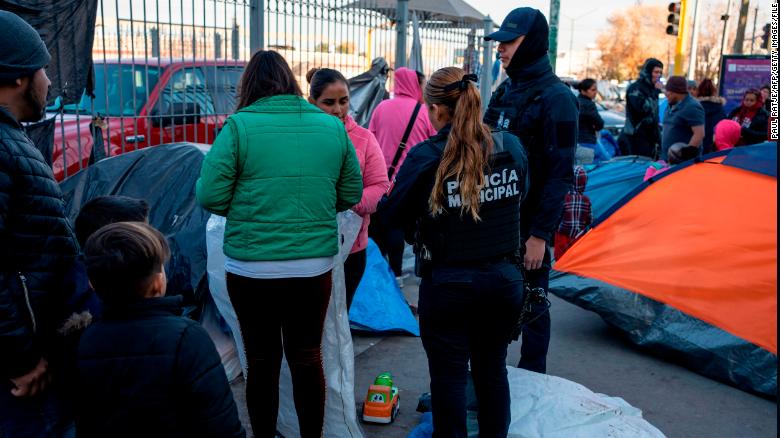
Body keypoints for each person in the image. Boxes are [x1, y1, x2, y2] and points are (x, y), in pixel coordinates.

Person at [196, 50, 363, 437]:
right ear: (290, 82)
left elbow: (210, 196)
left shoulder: (238, 127)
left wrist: (247, 206)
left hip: (250, 266)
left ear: (248, 85)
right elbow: (350, 191)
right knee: (308, 358)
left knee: (261, 361)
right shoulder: (331, 127)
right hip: (313, 265)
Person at [377, 66, 527, 438]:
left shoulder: (428, 156)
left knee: (449, 378)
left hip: (449, 284)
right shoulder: (511, 146)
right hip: (503, 282)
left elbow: (390, 216)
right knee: (493, 371)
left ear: (437, 110)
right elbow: (522, 195)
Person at [76, 222, 245, 437]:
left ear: (92, 285)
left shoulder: (88, 340)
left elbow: (88, 419)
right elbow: (222, 424)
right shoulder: (188, 337)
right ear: (158, 283)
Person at [483, 7, 577, 374]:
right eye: (500, 43)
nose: (501, 50)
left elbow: (560, 174)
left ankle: (532, 376)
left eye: (509, 42)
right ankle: (488, 378)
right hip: (494, 222)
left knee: (533, 304)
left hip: (529, 226)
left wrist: (540, 235)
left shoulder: (558, 98)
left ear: (532, 42)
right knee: (489, 303)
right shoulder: (506, 88)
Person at [0, 10, 81, 437]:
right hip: (21, 373)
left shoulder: (10, 139)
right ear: (16, 77)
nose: (49, 81)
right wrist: (20, 358)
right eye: (42, 68)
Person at [306, 67, 389, 309]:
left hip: (351, 250)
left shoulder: (364, 139)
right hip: (308, 248)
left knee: (340, 315)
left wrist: (346, 201)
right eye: (328, 102)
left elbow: (380, 187)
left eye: (343, 101)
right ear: (312, 102)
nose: (339, 110)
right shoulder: (300, 138)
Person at [368, 67, 437, 284]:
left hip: (381, 179)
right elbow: (435, 142)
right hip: (410, 181)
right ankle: (397, 274)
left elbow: (371, 139)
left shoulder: (381, 108)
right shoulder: (424, 111)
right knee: (399, 225)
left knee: (380, 226)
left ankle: (379, 273)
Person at [618, 58, 664, 158]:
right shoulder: (635, 88)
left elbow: (654, 114)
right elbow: (643, 109)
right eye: (656, 72)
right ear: (648, 71)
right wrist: (655, 92)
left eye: (660, 72)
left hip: (650, 136)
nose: (658, 75)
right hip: (636, 136)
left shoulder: (652, 88)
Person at [661, 76, 705, 162]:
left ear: (677, 92)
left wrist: (685, 155)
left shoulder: (692, 107)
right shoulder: (670, 104)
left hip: (682, 163)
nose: (666, 94)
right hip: (667, 160)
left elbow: (699, 134)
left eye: (668, 92)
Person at [553, 166, 592, 260]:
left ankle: (559, 272)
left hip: (562, 234)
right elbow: (589, 219)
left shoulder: (564, 197)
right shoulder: (586, 200)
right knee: (576, 258)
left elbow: (557, 216)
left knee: (560, 258)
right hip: (578, 235)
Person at [575, 78, 607, 162]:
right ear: (583, 91)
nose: (595, 92)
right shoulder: (589, 105)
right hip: (587, 142)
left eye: (596, 89)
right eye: (593, 90)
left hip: (575, 142)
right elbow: (599, 124)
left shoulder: (575, 101)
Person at [696, 79, 726, 154]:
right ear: (714, 91)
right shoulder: (720, 108)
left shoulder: (694, 107)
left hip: (697, 147)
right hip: (713, 148)